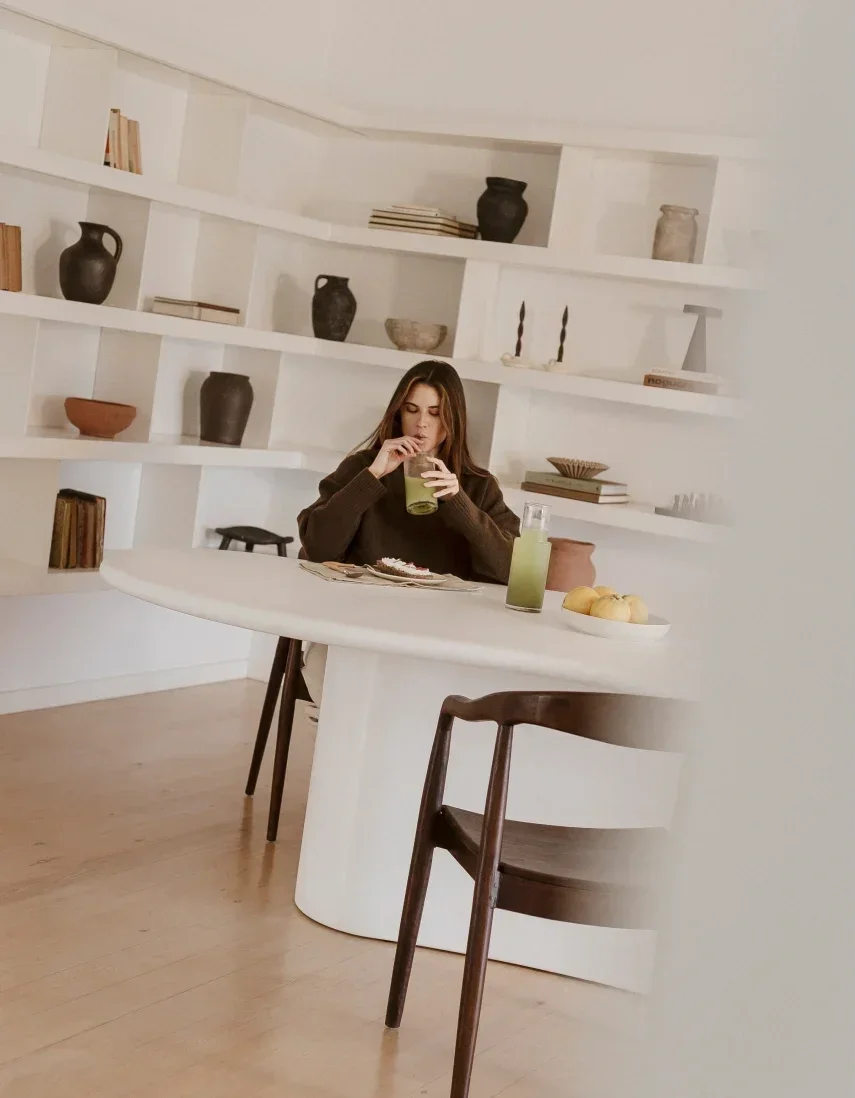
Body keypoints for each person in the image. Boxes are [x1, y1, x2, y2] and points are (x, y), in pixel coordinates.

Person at [297, 359, 520, 704]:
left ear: (453, 420)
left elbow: (513, 571)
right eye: (412, 410)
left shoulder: (477, 487)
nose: (421, 424)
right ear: (398, 413)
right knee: (333, 670)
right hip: (359, 625)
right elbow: (317, 547)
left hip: (439, 638)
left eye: (435, 413)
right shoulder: (363, 468)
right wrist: (372, 478)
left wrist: (459, 503)